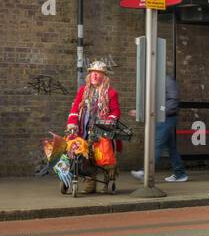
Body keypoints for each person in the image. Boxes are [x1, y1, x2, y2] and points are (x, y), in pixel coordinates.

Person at [65, 60, 122, 194]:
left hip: (102, 130)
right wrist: (72, 122)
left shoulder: (111, 92)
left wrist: (108, 122)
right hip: (84, 128)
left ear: (104, 76)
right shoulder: (83, 91)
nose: (94, 76)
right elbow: (75, 108)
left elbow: (115, 111)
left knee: (104, 156)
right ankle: (90, 184)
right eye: (92, 73)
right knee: (85, 155)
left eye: (98, 73)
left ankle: (108, 181)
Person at [131, 75, 188, 183]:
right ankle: (180, 173)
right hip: (160, 117)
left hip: (167, 117)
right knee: (171, 147)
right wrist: (141, 111)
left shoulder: (167, 80)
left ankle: (145, 172)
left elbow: (173, 100)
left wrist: (160, 111)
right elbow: (154, 102)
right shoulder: (154, 81)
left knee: (156, 143)